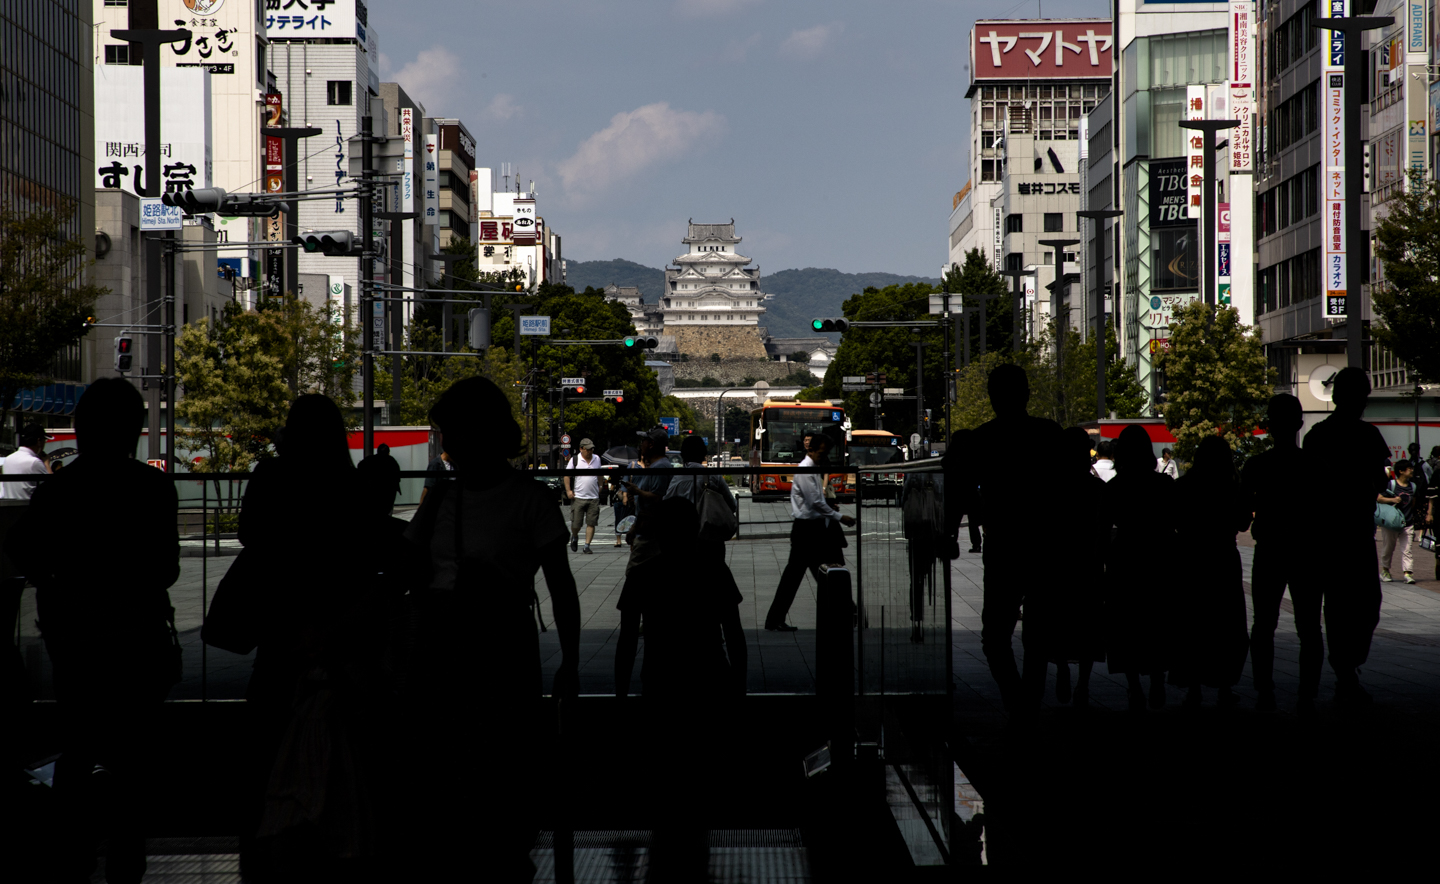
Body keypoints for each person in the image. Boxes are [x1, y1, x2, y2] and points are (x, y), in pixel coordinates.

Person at [402, 377, 580, 880]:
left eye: (451, 433)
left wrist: (569, 660)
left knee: (498, 757)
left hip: (495, 647)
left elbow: (562, 587)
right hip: (455, 645)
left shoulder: (530, 499)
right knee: (454, 757)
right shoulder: (443, 499)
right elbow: (406, 563)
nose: (446, 445)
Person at [5, 379, 179, 884]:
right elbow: (166, 569)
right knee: (133, 764)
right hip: (138, 641)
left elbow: (22, 548)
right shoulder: (151, 489)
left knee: (77, 754)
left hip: (77, 642)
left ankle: (74, 857)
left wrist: (58, 583)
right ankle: (128, 865)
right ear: (134, 431)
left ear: (81, 429)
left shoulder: (62, 490)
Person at [237, 395, 374, 878]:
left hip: (279, 626)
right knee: (340, 746)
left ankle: (267, 842)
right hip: (336, 632)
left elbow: (249, 536)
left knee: (269, 743)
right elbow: (363, 558)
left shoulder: (271, 477)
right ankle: (335, 841)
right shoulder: (348, 485)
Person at [964, 364, 1063, 718]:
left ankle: (1016, 699)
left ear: (992, 397)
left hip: (1004, 544)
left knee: (995, 635)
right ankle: (1030, 698)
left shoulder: (984, 438)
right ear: (1027, 394)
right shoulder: (1050, 434)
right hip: (1044, 543)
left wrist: (947, 532)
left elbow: (962, 489)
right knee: (1038, 633)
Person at [1302, 366, 1388, 709]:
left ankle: (1345, 670)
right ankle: (1347, 671)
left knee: (1338, 606)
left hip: (1329, 534)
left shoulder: (1317, 436)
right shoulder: (1368, 436)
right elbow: (1380, 482)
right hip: (1352, 533)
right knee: (1365, 603)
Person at [1243, 393, 1319, 713]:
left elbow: (1242, 513)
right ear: (1300, 425)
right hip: (1305, 551)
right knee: (1310, 626)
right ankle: (1308, 690)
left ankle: (1264, 688)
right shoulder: (1314, 466)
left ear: (1269, 426)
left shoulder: (1257, 466)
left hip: (1270, 549)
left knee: (1263, 625)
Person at [1027, 427, 1107, 709]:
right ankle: (1083, 683)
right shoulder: (1097, 489)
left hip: (1056, 565)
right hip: (1087, 564)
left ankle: (1061, 667)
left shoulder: (1048, 490)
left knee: (1058, 621)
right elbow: (1105, 530)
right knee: (1087, 625)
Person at [1171, 436, 1251, 710]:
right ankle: (1225, 684)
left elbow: (1174, 521)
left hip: (1190, 558)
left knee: (1192, 622)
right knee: (1226, 623)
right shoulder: (1231, 488)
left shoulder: (1183, 486)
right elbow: (1242, 523)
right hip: (1222, 558)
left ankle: (1193, 685)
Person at [1103, 424, 1178, 712]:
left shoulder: (1115, 488)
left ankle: (1134, 686)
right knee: (1157, 619)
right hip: (1159, 555)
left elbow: (1102, 529)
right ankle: (1158, 678)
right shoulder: (1164, 485)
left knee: (1127, 623)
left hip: (1126, 556)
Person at [764, 431, 856, 632]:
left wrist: (830, 510)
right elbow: (814, 502)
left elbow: (817, 500)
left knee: (806, 575)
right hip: (807, 530)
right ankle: (849, 611)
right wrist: (840, 516)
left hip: (810, 529)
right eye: (822, 453)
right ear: (811, 449)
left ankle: (849, 611)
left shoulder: (812, 467)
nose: (824, 457)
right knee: (813, 574)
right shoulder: (806, 469)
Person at [614, 426, 676, 696]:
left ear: (652, 445)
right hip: (644, 535)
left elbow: (659, 502)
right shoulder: (656, 466)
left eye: (644, 441)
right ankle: (649, 677)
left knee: (635, 611)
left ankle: (627, 683)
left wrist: (637, 492)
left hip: (650, 543)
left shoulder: (661, 468)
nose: (640, 445)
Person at [1378, 458, 1420, 584]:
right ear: (1401, 471)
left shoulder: (1413, 486)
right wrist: (1393, 500)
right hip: (1391, 523)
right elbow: (1379, 498)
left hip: (1407, 523)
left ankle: (1408, 573)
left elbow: (1413, 503)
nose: (1412, 470)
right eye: (1409, 468)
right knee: (1388, 548)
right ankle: (1385, 570)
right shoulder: (1391, 484)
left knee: (1407, 550)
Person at [941, 430, 982, 555]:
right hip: (971, 492)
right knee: (973, 522)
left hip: (955, 494)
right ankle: (976, 544)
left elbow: (944, 466)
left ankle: (952, 541)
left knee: (954, 521)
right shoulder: (974, 455)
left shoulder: (952, 455)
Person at [563, 438, 602, 554]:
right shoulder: (575, 460)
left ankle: (587, 545)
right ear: (581, 449)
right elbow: (566, 476)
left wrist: (600, 486)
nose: (590, 451)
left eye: (592, 449)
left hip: (593, 497)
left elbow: (600, 473)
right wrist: (568, 490)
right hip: (578, 497)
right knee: (576, 524)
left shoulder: (597, 459)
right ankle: (574, 536)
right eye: (588, 449)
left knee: (591, 522)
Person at [1, 422, 51, 500]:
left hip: (9, 508)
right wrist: (46, 463)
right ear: (39, 441)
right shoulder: (34, 462)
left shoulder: (8, 459)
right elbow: (53, 487)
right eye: (45, 440)